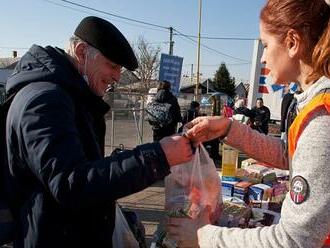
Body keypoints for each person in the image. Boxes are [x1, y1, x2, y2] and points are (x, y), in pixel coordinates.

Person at [4, 16, 193, 248]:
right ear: (82, 52)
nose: (116, 76)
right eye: (112, 66)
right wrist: (157, 156)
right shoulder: (45, 100)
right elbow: (70, 184)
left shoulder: (72, 97)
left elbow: (80, 169)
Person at [167, 0, 330, 247]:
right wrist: (228, 128)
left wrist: (202, 236)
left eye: (266, 45)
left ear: (293, 42)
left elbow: (294, 240)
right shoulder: (312, 102)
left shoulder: (322, 118)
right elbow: (290, 155)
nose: (263, 58)